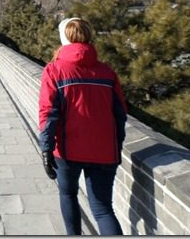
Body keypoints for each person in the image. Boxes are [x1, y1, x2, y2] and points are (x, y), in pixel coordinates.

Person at [38, 18, 127, 235]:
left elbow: (49, 113)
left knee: (68, 195)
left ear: (64, 39)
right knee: (103, 210)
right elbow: (120, 114)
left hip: (67, 150)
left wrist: (46, 148)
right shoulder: (107, 72)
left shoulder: (54, 70)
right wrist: (117, 146)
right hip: (104, 150)